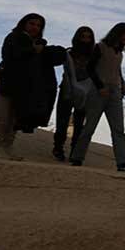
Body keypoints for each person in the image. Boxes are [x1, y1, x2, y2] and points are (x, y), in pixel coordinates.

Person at [0, 13, 65, 161]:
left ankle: (7, 147)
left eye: (38, 25)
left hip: (23, 86)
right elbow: (8, 56)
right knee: (1, 116)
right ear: (24, 23)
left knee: (14, 118)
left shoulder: (39, 44)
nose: (35, 27)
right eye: (32, 23)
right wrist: (33, 50)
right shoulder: (14, 37)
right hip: (5, 80)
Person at [69, 23, 125, 173]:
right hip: (98, 92)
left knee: (118, 129)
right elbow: (90, 68)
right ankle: (77, 157)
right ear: (117, 33)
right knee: (90, 126)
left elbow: (117, 71)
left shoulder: (119, 53)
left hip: (115, 92)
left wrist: (123, 84)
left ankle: (123, 163)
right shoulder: (100, 47)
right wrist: (100, 86)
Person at [52, 26, 95, 161]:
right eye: (83, 36)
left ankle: (75, 151)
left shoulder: (94, 56)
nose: (86, 40)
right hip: (67, 90)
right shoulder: (69, 53)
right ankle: (58, 147)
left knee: (79, 123)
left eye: (88, 37)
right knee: (62, 121)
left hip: (85, 92)